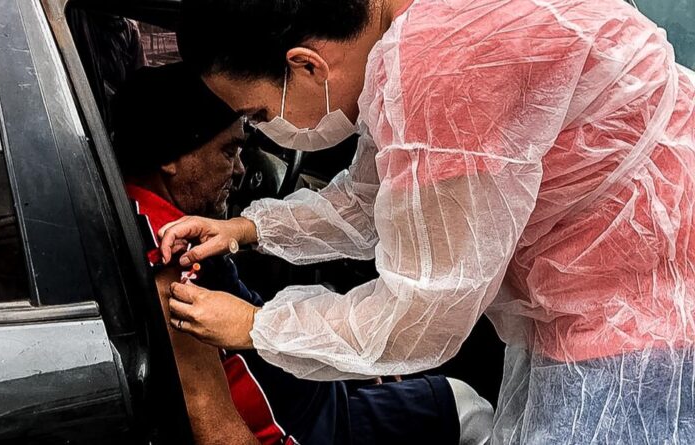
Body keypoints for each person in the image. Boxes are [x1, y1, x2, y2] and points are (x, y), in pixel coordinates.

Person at [156, 0, 695, 443]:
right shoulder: (419, 30)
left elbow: (426, 311)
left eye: (259, 115)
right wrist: (248, 230)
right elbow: (373, 199)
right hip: (616, 294)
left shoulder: (438, 62)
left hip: (640, 317)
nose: (264, 133)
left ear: (307, 66)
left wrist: (257, 326)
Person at [113, 63, 493, 445]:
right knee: (469, 408)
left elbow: (357, 208)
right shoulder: (172, 260)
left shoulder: (146, 218)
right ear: (170, 157)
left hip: (315, 396)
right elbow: (215, 427)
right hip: (312, 428)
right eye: (229, 152)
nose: (241, 169)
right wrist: (266, 328)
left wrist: (341, 360)